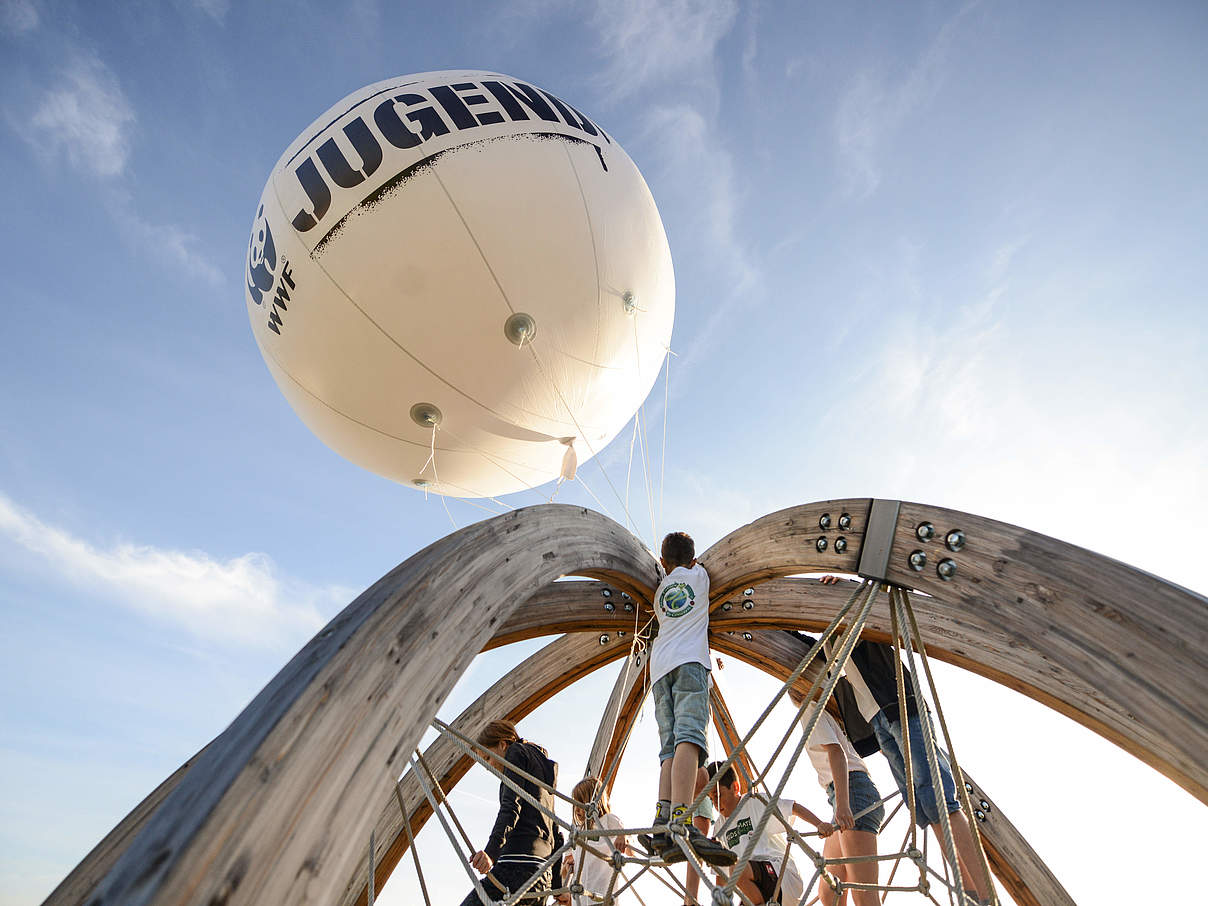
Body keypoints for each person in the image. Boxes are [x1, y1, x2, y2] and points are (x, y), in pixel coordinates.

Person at [802, 575, 993, 904]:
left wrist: (846, 584)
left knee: (941, 801)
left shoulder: (858, 615)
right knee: (927, 810)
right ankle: (972, 896)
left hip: (900, 704)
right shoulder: (828, 642)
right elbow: (794, 644)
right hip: (879, 719)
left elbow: (887, 592)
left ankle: (986, 897)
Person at [646, 531, 734, 867]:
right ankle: (682, 820)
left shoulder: (659, 594)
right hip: (690, 663)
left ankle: (663, 816)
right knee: (690, 738)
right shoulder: (699, 577)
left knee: (668, 746)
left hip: (659, 668)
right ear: (692, 560)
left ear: (665, 564)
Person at [787, 684, 884, 906]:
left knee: (864, 895)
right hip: (850, 793)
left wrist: (842, 804)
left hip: (851, 794)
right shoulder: (824, 711)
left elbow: (836, 752)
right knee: (830, 891)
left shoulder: (811, 708)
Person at [461, 719, 564, 906]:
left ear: (503, 744)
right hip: (541, 876)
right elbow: (555, 831)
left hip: (517, 868)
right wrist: (557, 886)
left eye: (487, 758)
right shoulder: (541, 772)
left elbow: (510, 807)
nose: (487, 766)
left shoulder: (515, 753)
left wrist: (491, 852)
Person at [706, 760, 834, 905]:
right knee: (734, 869)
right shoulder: (719, 828)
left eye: (718, 796)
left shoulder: (755, 802)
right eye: (711, 799)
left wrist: (819, 823)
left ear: (735, 787)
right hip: (754, 888)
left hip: (782, 878)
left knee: (737, 868)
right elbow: (720, 875)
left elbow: (793, 807)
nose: (715, 804)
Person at [561, 777, 628, 906]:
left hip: (603, 895)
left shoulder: (609, 821)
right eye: (575, 804)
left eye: (581, 803)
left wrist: (622, 837)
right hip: (580, 897)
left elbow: (628, 846)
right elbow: (565, 869)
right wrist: (566, 868)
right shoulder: (577, 832)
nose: (577, 809)